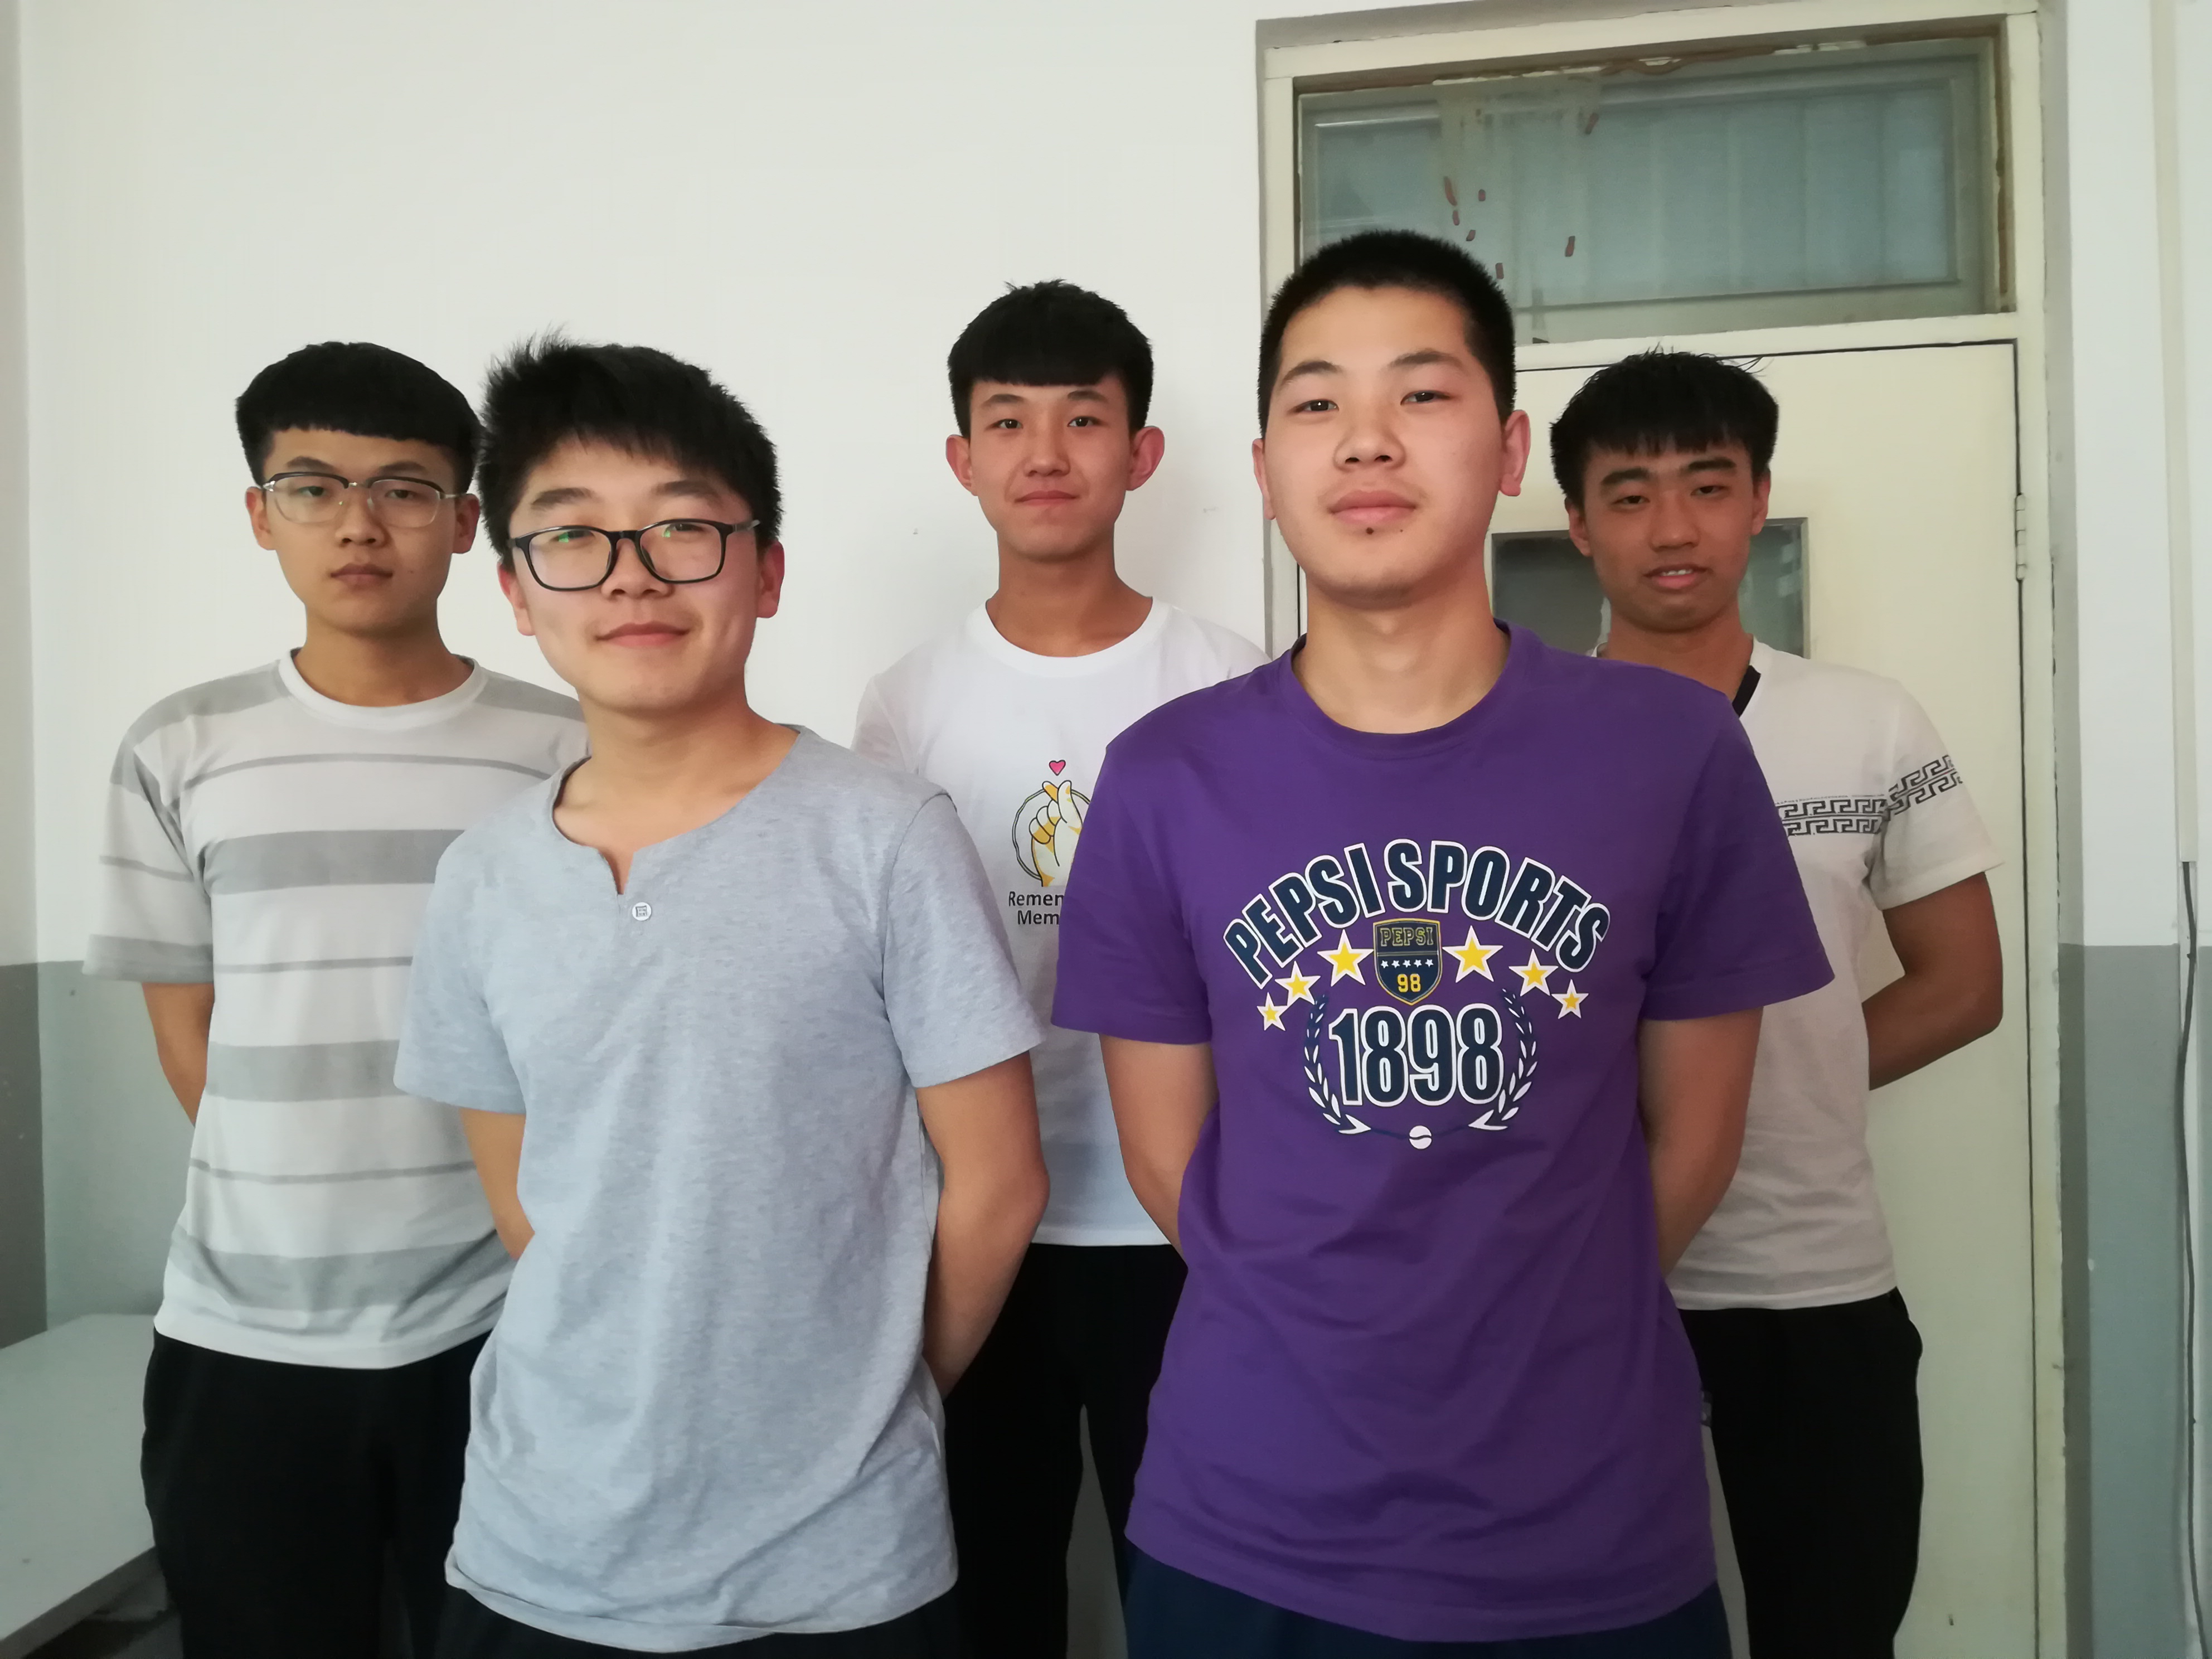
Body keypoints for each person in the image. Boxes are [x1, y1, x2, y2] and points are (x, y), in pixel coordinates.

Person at [1050, 229, 1836, 1658]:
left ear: (1510, 446)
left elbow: (1695, 1143)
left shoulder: (1671, 754)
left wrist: (1530, 1313)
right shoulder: (1164, 777)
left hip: (1590, 1529)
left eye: (1420, 394)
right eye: (1317, 403)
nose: (1366, 440)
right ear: (1264, 468)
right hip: (1252, 1521)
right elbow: (1172, 1167)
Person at [393, 336, 1048, 1657]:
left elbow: (998, 1182)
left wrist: (872, 1400)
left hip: (837, 1570)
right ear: (515, 590)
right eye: (570, 537)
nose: (630, 575)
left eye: (683, 529)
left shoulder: (886, 836)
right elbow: (528, 1210)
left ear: (767, 570)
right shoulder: (483, 878)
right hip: (539, 1553)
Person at [84, 341, 588, 1658]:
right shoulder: (178, 746)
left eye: (405, 489)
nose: (359, 524)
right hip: (242, 1337)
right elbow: (189, 1038)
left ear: (466, 523)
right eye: (312, 487)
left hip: (499, 1322)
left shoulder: (566, 749)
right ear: (262, 515)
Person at [1555, 350, 2004, 1658]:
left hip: (1815, 1278)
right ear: (1576, 523)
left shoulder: (1868, 723)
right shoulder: (1527, 740)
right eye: (1629, 495)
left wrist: (1769, 1077)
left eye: (1707, 486)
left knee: (1833, 1628)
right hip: (1586, 1273)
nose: (1672, 528)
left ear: (1757, 500)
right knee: (1583, 1627)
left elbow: (1962, 984)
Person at [852, 280, 1265, 1656]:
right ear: (960, 458)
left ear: (1140, 453)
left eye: (1083, 419)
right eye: (1007, 421)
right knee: (992, 1592)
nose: (1045, 453)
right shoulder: (906, 699)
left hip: (1185, 1223)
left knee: (1199, 1591)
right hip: (981, 1228)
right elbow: (885, 974)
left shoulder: (1229, 678)